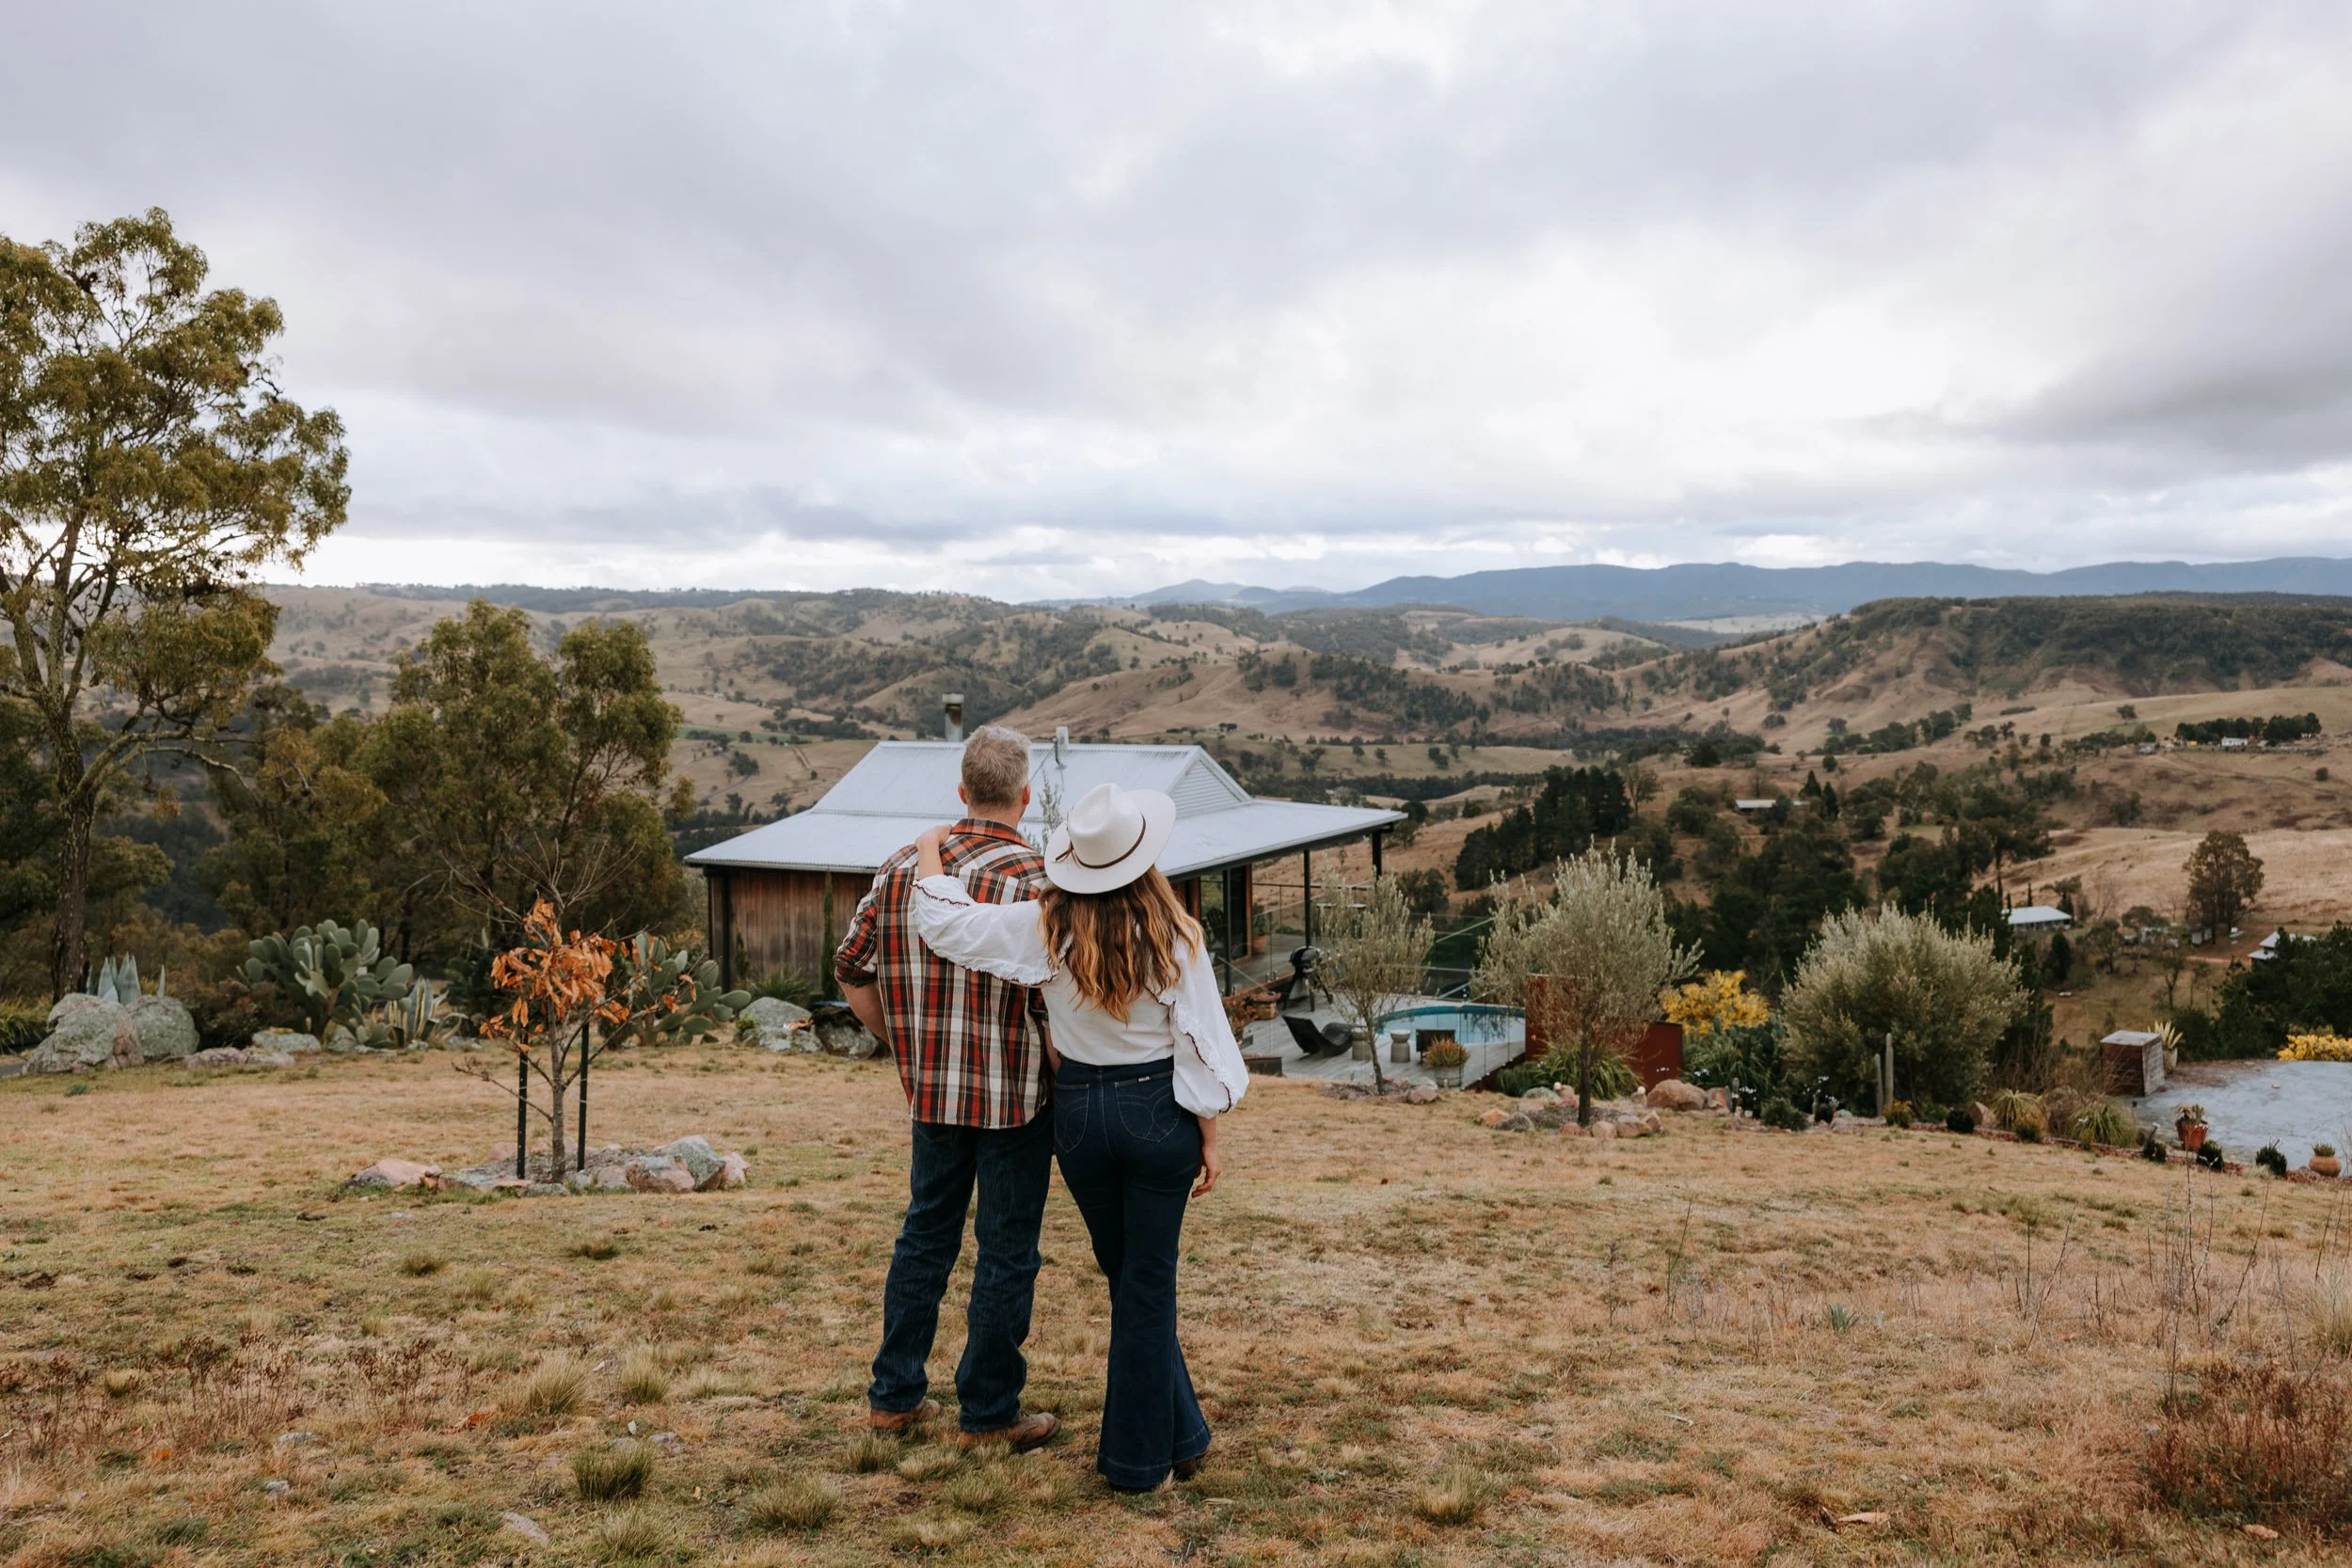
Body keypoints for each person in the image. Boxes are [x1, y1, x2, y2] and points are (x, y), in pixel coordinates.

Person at [910, 780, 1250, 1492]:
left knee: (1132, 1281)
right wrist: (1209, 1134)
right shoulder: (1176, 935)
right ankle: (1137, 1465)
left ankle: (1183, 1436)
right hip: (1159, 1111)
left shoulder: (1046, 926)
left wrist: (927, 856)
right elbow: (1202, 1046)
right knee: (1148, 1285)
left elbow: (951, 925)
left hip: (1081, 1117)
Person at [835, 725, 1060, 1452]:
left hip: (930, 1092)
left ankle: (894, 1396)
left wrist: (901, 1040)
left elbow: (851, 968)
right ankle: (989, 1413)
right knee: (1005, 1249)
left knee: (925, 1234)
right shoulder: (1040, 880)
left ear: (962, 792)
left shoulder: (902, 867)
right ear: (1024, 796)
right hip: (1016, 1098)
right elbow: (1060, 1001)